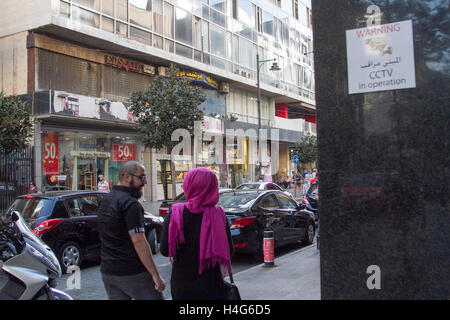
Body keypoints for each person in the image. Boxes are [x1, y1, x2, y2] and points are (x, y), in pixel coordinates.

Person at [160, 167, 234, 300]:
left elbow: (165, 250)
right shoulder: (219, 214)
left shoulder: (176, 213)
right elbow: (230, 250)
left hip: (182, 285)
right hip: (212, 285)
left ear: (189, 186)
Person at [97, 161, 165, 300]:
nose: (145, 182)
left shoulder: (106, 200)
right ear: (127, 177)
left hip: (108, 271)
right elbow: (139, 241)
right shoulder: (130, 204)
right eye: (142, 177)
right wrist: (155, 275)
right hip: (132, 272)